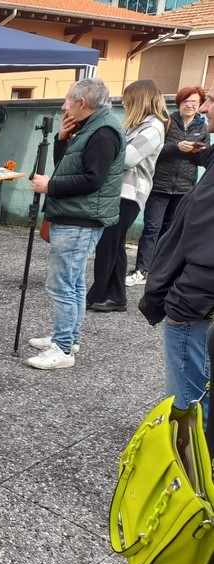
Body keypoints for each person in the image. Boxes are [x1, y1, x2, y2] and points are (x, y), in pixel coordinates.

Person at [27, 78, 126, 370]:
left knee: (62, 284)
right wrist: (61, 140)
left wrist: (50, 186)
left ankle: (63, 349)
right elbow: (69, 165)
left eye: (68, 100)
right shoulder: (89, 128)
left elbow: (93, 179)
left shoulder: (103, 133)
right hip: (77, 215)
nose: (63, 105)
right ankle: (68, 336)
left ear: (82, 102)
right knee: (74, 282)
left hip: (79, 218)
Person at [139, 81, 214, 421]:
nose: (204, 108)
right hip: (164, 185)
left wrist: (182, 304)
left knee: (188, 404)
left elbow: (207, 245)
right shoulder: (171, 124)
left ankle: (189, 456)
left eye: (210, 101)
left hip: (194, 304)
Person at [86, 79, 167, 312]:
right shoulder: (136, 125)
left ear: (140, 100)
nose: (124, 103)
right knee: (114, 244)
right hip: (120, 191)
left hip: (129, 193)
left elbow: (128, 158)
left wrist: (102, 153)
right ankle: (116, 297)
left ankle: (98, 293)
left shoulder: (153, 128)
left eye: (128, 99)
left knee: (108, 244)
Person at [127, 85, 209, 287]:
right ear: (179, 103)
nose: (189, 106)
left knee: (170, 230)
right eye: (185, 101)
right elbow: (153, 150)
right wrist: (176, 147)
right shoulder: (167, 122)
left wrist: (199, 152)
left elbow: (202, 161)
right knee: (152, 228)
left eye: (194, 102)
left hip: (184, 187)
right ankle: (142, 269)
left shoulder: (202, 127)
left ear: (199, 105)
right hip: (160, 185)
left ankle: (159, 270)